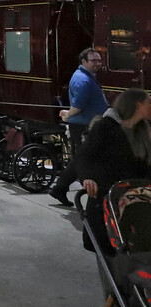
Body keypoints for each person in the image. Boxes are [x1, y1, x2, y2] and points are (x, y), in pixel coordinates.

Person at [76, 89, 151, 297]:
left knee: (139, 267)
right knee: (115, 275)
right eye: (148, 103)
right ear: (137, 105)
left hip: (138, 210)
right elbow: (83, 157)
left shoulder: (143, 131)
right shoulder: (104, 128)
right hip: (106, 206)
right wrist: (88, 178)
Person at [50, 48, 109, 206]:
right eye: (94, 61)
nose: (98, 63)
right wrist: (68, 114)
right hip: (84, 124)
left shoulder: (87, 77)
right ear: (83, 62)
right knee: (85, 157)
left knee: (81, 157)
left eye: (99, 60)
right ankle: (69, 188)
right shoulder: (83, 80)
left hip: (87, 123)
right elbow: (79, 105)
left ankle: (60, 188)